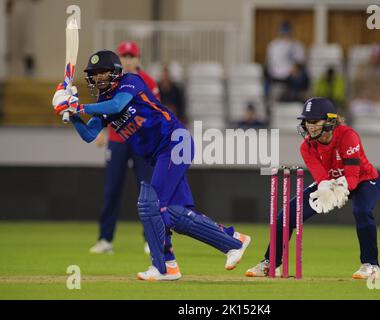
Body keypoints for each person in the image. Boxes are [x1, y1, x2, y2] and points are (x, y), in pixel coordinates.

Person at [52, 50, 251, 281]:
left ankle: (164, 267)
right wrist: (70, 114)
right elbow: (89, 134)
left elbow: (118, 106)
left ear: (115, 72)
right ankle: (232, 241)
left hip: (174, 142)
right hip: (158, 155)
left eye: (102, 72)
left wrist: (79, 107)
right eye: (94, 75)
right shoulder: (102, 101)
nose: (98, 78)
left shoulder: (131, 82)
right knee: (175, 216)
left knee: (150, 204)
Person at [246, 97, 380, 280]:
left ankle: (371, 265)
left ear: (330, 120)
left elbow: (352, 176)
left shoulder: (348, 135)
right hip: (331, 182)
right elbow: (321, 178)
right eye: (307, 122)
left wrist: (341, 188)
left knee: (362, 211)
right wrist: (326, 188)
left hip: (364, 180)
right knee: (285, 216)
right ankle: (270, 263)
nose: (310, 126)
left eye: (314, 121)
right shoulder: (307, 146)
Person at [89, 41, 160, 255]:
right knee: (111, 191)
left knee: (147, 192)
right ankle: (105, 239)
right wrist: (101, 131)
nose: (128, 60)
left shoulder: (147, 81)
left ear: (138, 59)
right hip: (117, 141)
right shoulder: (110, 80)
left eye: (131, 56)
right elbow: (105, 109)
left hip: (142, 143)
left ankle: (151, 239)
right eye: (124, 56)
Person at [265, 21, 305, 100]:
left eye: (287, 33)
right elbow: (270, 63)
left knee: (301, 79)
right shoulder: (273, 45)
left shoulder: (296, 45)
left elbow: (300, 61)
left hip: (291, 77)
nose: (286, 36)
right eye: (284, 33)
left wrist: (295, 69)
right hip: (276, 75)